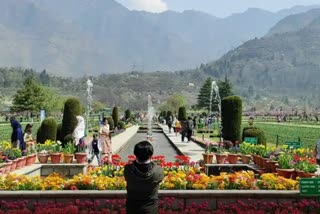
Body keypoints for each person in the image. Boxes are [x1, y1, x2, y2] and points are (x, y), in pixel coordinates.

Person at [124, 141, 164, 214]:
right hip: (150, 209)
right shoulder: (158, 170)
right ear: (151, 154)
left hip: (132, 208)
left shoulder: (128, 169)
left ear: (135, 153)